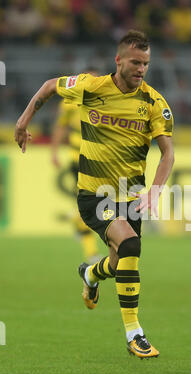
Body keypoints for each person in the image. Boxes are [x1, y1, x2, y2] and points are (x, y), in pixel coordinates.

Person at [15, 30, 174, 359]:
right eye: (135, 62)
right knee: (131, 245)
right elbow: (48, 87)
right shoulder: (91, 86)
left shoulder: (154, 104)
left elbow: (168, 154)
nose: (141, 68)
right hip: (94, 195)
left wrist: (155, 191)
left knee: (120, 262)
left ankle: (90, 273)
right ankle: (135, 334)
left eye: (145, 63)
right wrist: (24, 119)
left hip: (129, 197)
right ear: (119, 61)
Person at [51, 69, 101, 265]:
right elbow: (60, 126)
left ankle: (76, 217)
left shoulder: (105, 101)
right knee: (89, 202)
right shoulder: (70, 101)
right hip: (78, 159)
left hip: (98, 159)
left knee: (89, 202)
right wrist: (54, 152)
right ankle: (91, 253)